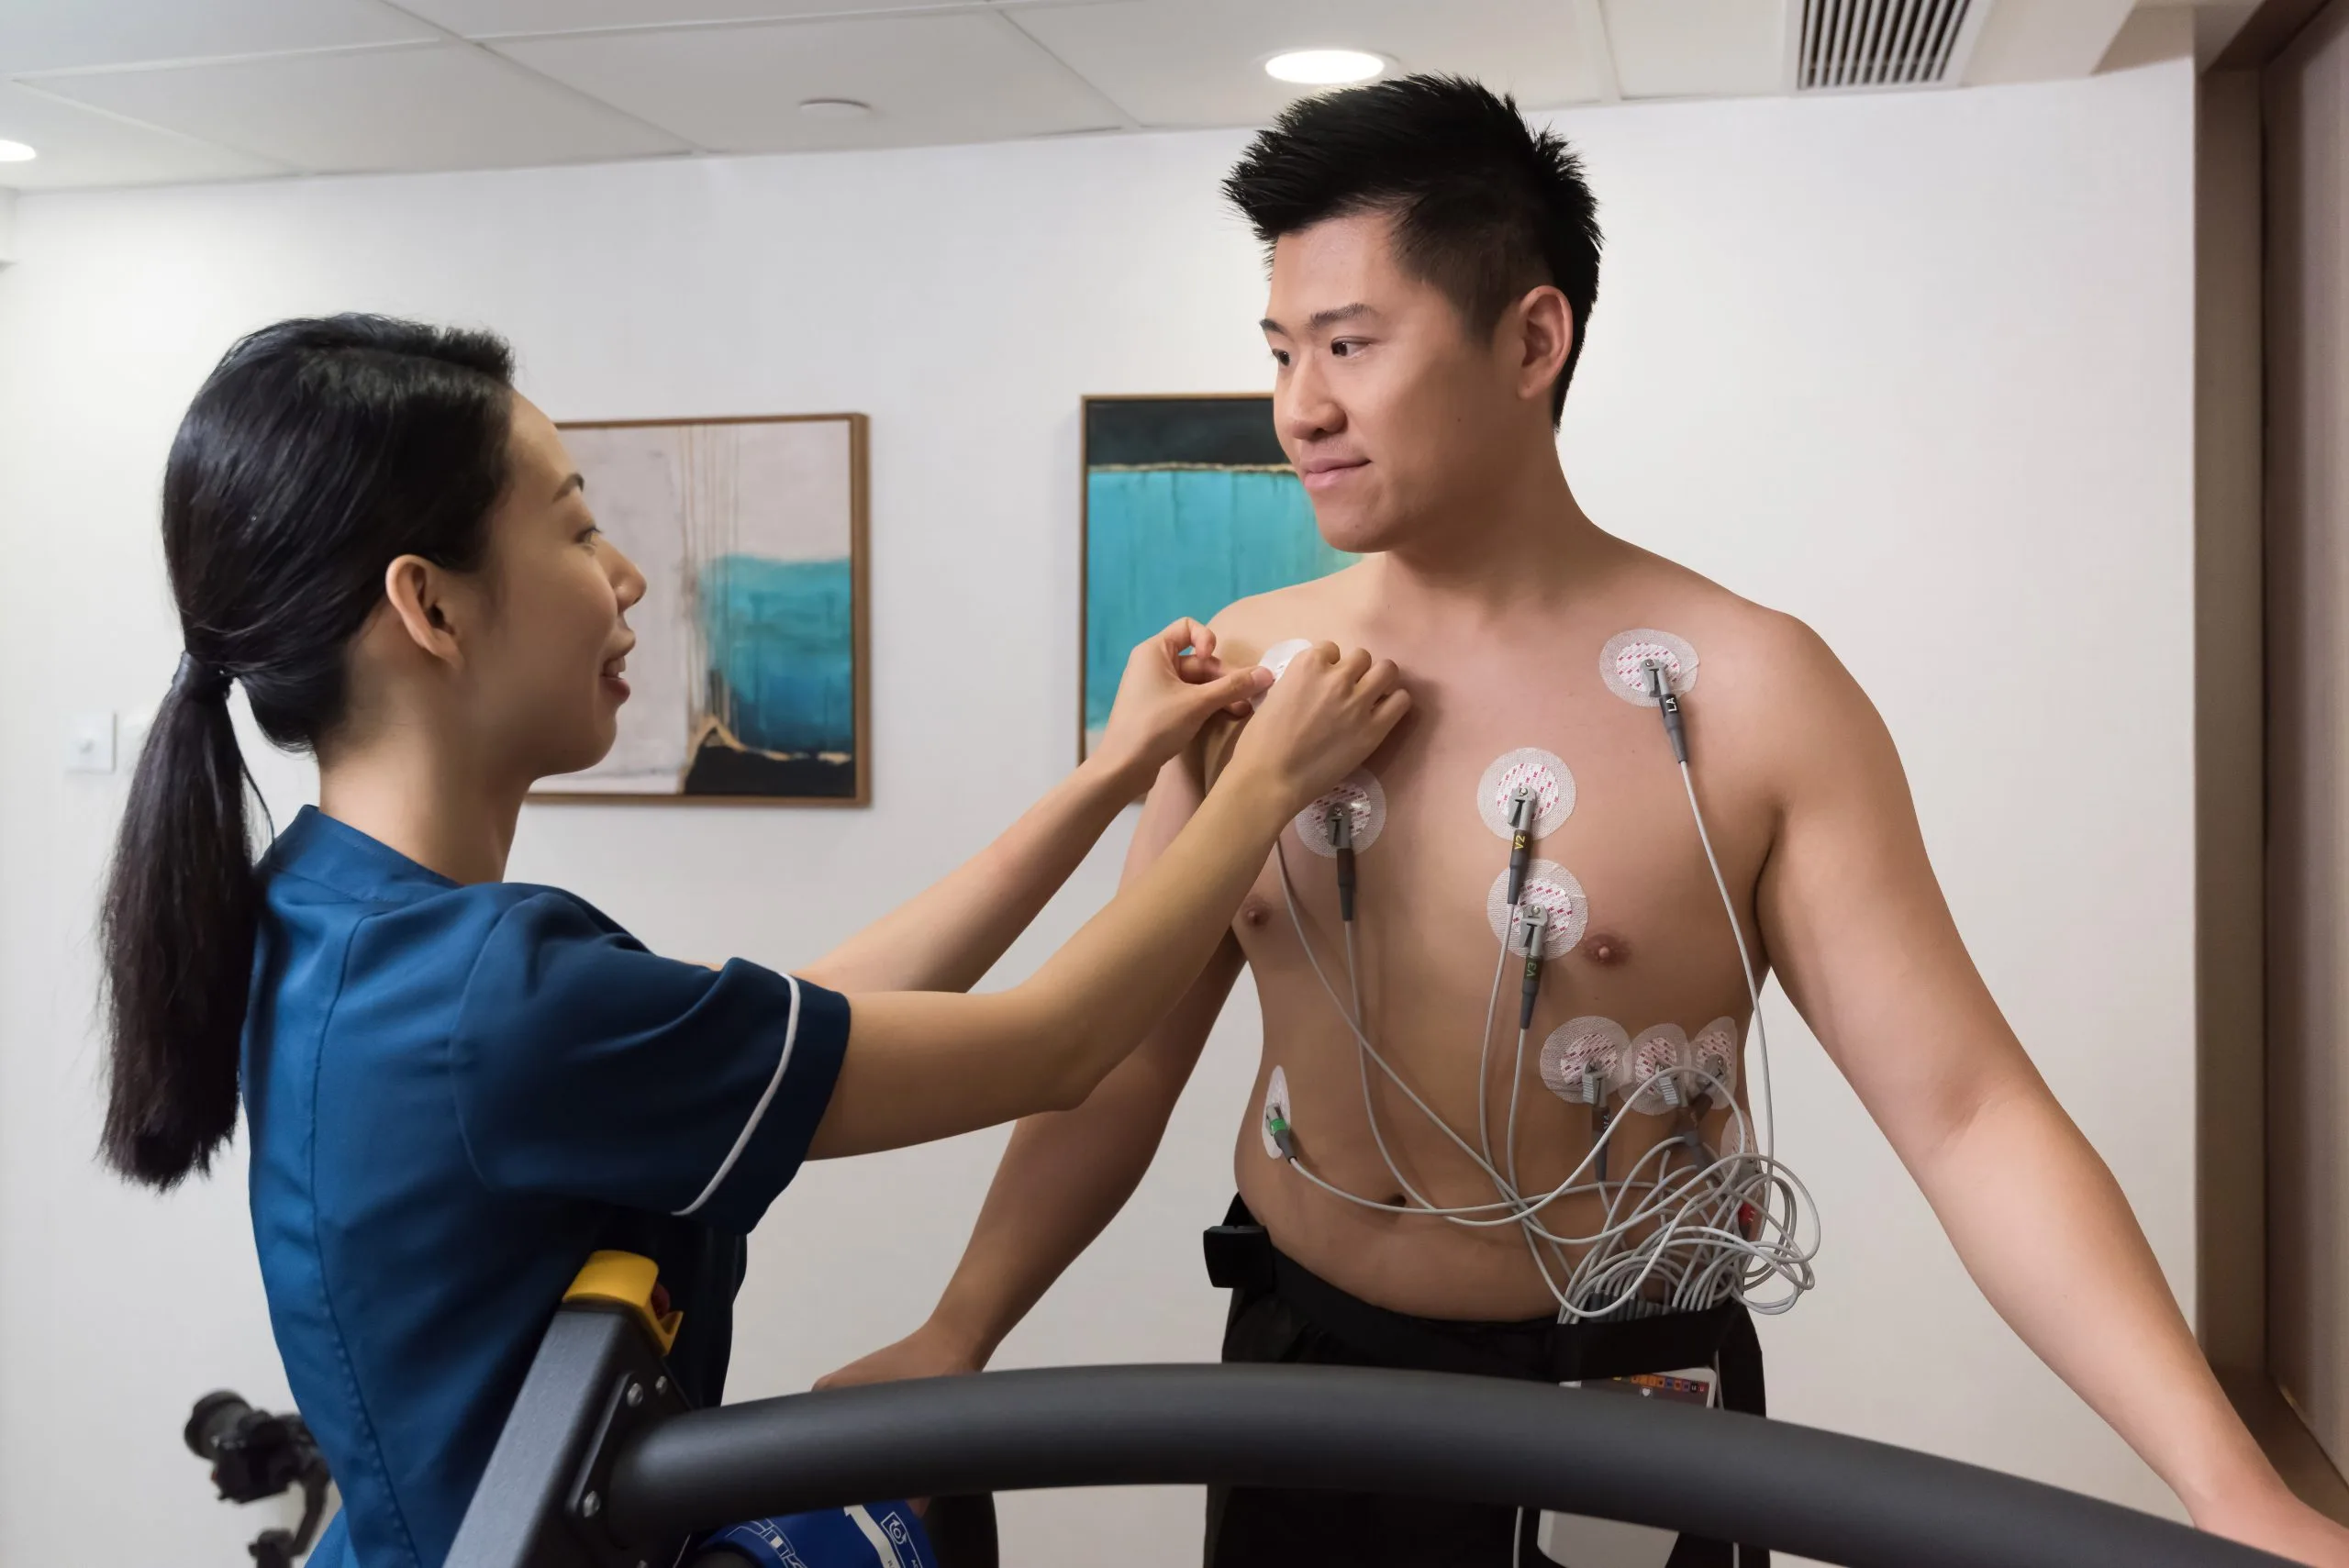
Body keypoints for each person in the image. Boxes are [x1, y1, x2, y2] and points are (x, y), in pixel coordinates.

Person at [820, 76, 2349, 1568]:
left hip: (1625, 1398)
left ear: (1531, 338)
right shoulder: (1249, 672)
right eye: (1281, 350)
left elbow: (1966, 1113)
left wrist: (2230, 1486)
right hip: (1301, 1365)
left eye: (1350, 343)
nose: (1300, 406)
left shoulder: (1755, 694)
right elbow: (1119, 1050)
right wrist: (961, 1326)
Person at [95, 315, 1408, 1568]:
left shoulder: (329, 914)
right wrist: (1260, 793)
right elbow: (1059, 1044)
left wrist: (1110, 776)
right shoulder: (487, 1000)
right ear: (430, 608)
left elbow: (804, 1015)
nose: (627, 576)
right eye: (577, 528)